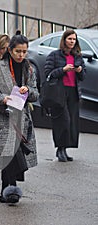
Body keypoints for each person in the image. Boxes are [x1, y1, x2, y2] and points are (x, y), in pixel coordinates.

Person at [0, 31, 39, 204]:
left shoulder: (28, 69)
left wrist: (28, 91)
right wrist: (3, 98)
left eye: (24, 52)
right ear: (10, 50)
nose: (21, 55)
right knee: (6, 154)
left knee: (16, 153)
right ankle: (8, 189)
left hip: (21, 117)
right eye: (18, 52)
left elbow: (36, 93)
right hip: (3, 117)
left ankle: (8, 189)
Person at [44, 29, 85, 162]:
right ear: (64, 40)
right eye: (69, 39)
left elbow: (83, 76)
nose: (72, 41)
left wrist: (79, 70)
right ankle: (60, 149)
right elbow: (48, 74)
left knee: (72, 122)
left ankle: (65, 149)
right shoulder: (54, 55)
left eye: (74, 39)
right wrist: (63, 70)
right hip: (59, 93)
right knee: (62, 121)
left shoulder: (77, 57)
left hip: (73, 93)